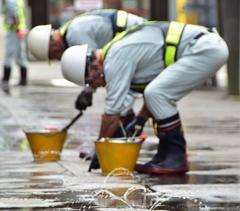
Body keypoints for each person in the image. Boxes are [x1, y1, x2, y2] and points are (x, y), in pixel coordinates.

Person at [60, 20, 229, 174]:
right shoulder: (114, 53)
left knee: (157, 93)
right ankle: (165, 156)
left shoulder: (114, 58)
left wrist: (100, 149)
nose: (96, 86)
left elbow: (112, 114)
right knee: (156, 92)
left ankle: (176, 157)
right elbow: (152, 87)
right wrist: (140, 119)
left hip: (205, 49)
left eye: (91, 81)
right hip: (205, 47)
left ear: (93, 65)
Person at [27, 9, 147, 117]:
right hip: (134, 36)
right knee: (120, 94)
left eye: (53, 56)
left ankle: (123, 125)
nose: (58, 59)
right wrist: (88, 92)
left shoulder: (74, 34)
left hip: (139, 37)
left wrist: (88, 92)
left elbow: (94, 67)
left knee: (119, 93)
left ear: (53, 45)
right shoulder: (71, 29)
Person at [0, 0, 28, 94]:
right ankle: (23, 80)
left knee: (9, 55)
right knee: (21, 55)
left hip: (14, 31)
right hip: (19, 30)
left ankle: (5, 80)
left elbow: (14, 16)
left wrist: (17, 29)